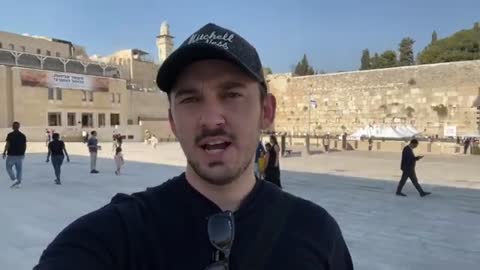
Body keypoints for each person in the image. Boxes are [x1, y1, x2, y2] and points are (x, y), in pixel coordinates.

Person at [34, 23, 353, 270]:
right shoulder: (119, 235)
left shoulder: (316, 233)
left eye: (232, 94)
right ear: (172, 120)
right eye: (190, 98)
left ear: (266, 112)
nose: (212, 119)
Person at [3, 121, 27, 189]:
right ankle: (18, 182)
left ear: (13, 127)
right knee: (19, 170)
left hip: (11, 155)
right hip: (20, 155)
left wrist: (4, 152)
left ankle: (13, 179)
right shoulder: (23, 135)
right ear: (19, 127)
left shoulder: (10, 135)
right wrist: (23, 153)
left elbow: (8, 144)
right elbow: (25, 145)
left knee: (8, 168)